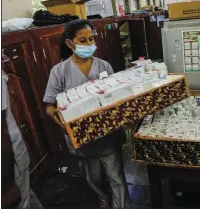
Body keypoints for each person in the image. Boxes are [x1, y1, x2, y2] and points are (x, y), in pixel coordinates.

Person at [43, 19, 129, 209]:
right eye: (83, 41)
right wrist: (58, 117)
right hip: (82, 139)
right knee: (94, 176)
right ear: (69, 43)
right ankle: (103, 200)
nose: (90, 44)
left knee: (116, 176)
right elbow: (49, 105)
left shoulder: (104, 66)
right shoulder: (59, 72)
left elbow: (116, 97)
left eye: (91, 39)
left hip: (108, 136)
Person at [2, 71, 43, 209]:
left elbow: (2, 131)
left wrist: (6, 186)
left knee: (21, 201)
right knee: (26, 197)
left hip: (8, 159)